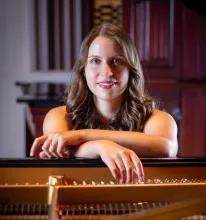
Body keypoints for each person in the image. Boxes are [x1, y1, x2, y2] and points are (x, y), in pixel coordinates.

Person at [30, 23, 178, 183]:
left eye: (116, 61)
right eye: (95, 61)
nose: (107, 72)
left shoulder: (158, 119)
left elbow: (166, 148)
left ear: (130, 68)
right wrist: (101, 146)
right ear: (83, 69)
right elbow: (61, 149)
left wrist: (83, 135)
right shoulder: (59, 116)